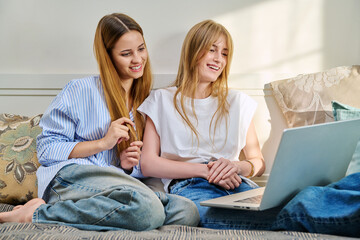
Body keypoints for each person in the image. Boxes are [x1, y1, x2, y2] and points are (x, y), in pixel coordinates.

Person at [0, 13, 199, 231]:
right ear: (108, 56)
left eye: (141, 49)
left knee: (186, 211)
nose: (138, 59)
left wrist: (126, 164)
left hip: (116, 181)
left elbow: (142, 166)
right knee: (148, 208)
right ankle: (35, 215)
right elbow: (47, 150)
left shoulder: (147, 101)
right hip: (71, 175)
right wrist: (103, 143)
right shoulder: (79, 90)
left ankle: (60, 210)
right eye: (126, 53)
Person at [138, 19, 280, 230]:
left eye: (224, 53)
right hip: (190, 186)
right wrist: (206, 171)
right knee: (217, 216)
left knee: (289, 202)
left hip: (236, 182)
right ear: (193, 52)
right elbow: (148, 163)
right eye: (212, 50)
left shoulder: (237, 102)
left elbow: (257, 161)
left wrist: (236, 166)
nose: (219, 59)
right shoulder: (161, 100)